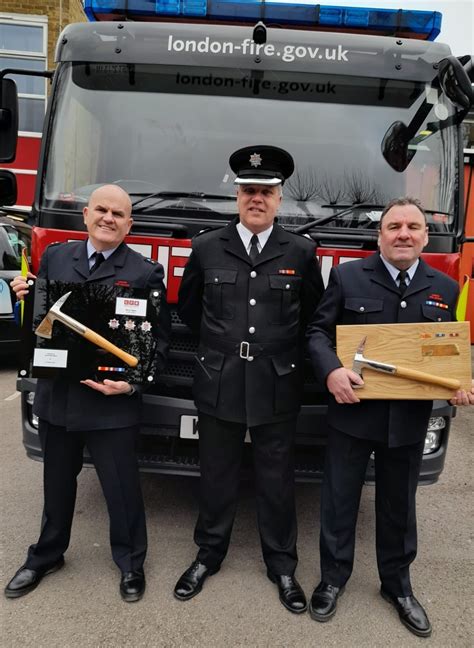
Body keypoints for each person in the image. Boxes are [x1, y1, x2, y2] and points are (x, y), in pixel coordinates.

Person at [306, 196, 474, 637]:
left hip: (408, 420)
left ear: (424, 236)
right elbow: (318, 332)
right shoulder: (346, 276)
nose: (404, 234)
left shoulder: (446, 287)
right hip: (352, 415)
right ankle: (332, 579)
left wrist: (457, 385)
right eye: (394, 226)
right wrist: (332, 371)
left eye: (413, 227)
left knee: (399, 505)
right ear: (380, 234)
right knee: (340, 502)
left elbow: (447, 350)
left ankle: (397, 586)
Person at [174, 145, 324, 613]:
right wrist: (223, 346)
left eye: (266, 191)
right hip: (219, 378)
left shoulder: (300, 251)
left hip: (276, 383)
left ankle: (282, 565)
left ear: (280, 199)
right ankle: (208, 555)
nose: (256, 198)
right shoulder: (206, 247)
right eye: (248, 191)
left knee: (276, 479)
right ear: (236, 196)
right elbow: (189, 308)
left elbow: (312, 317)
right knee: (216, 474)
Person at [4, 184, 170, 603]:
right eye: (101, 210)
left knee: (121, 489)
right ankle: (46, 555)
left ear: (129, 224)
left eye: (118, 214)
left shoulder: (146, 272)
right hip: (58, 396)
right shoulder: (57, 257)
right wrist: (23, 299)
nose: (108, 218)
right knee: (56, 484)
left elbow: (158, 342)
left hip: (111, 402)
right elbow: (40, 322)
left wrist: (132, 383)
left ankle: (132, 563)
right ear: (86, 215)